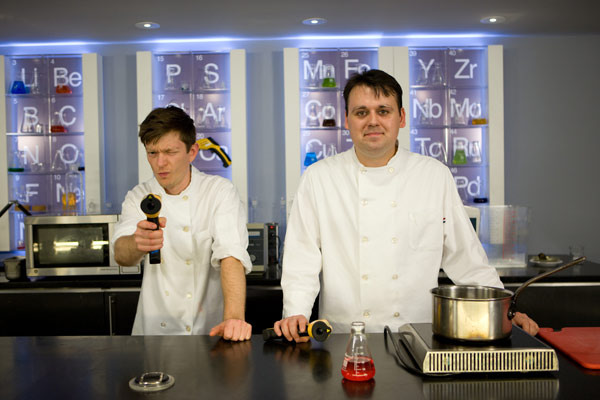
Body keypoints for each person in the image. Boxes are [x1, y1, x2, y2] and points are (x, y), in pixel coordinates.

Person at [275, 69, 538, 342]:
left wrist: (505, 308)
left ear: (401, 118)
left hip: (419, 337)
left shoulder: (434, 176)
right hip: (345, 337)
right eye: (361, 112)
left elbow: (466, 257)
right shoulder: (318, 178)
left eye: (383, 111)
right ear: (347, 120)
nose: (372, 121)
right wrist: (296, 312)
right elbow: (301, 257)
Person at [112, 106, 252, 340]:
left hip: (210, 331)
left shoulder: (218, 191)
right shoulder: (139, 195)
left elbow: (231, 255)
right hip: (155, 332)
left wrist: (234, 319)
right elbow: (121, 255)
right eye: (152, 153)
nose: (160, 163)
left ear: (192, 151)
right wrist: (137, 242)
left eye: (170, 152)